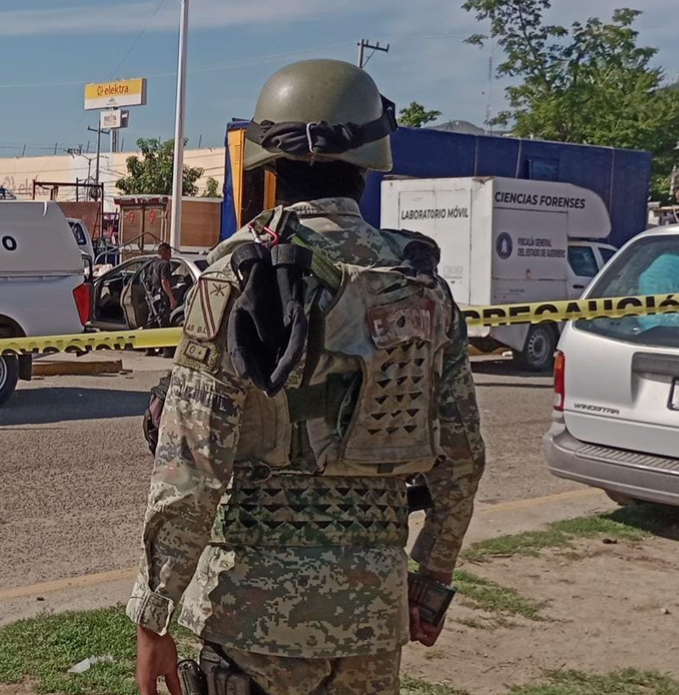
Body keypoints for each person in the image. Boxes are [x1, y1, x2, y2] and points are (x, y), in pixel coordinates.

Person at [126, 60, 486, 695]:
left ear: (267, 159)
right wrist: (429, 582)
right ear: (372, 159)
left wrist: (154, 617)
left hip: (252, 617)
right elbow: (461, 463)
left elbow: (190, 468)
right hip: (371, 617)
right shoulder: (423, 286)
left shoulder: (236, 275)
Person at [146, 243, 179, 328]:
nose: (170, 256)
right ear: (163, 252)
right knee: (163, 319)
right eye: (169, 253)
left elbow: (148, 278)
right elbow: (164, 281)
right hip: (162, 296)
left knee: (152, 317)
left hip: (154, 294)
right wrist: (171, 298)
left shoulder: (153, 262)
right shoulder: (165, 264)